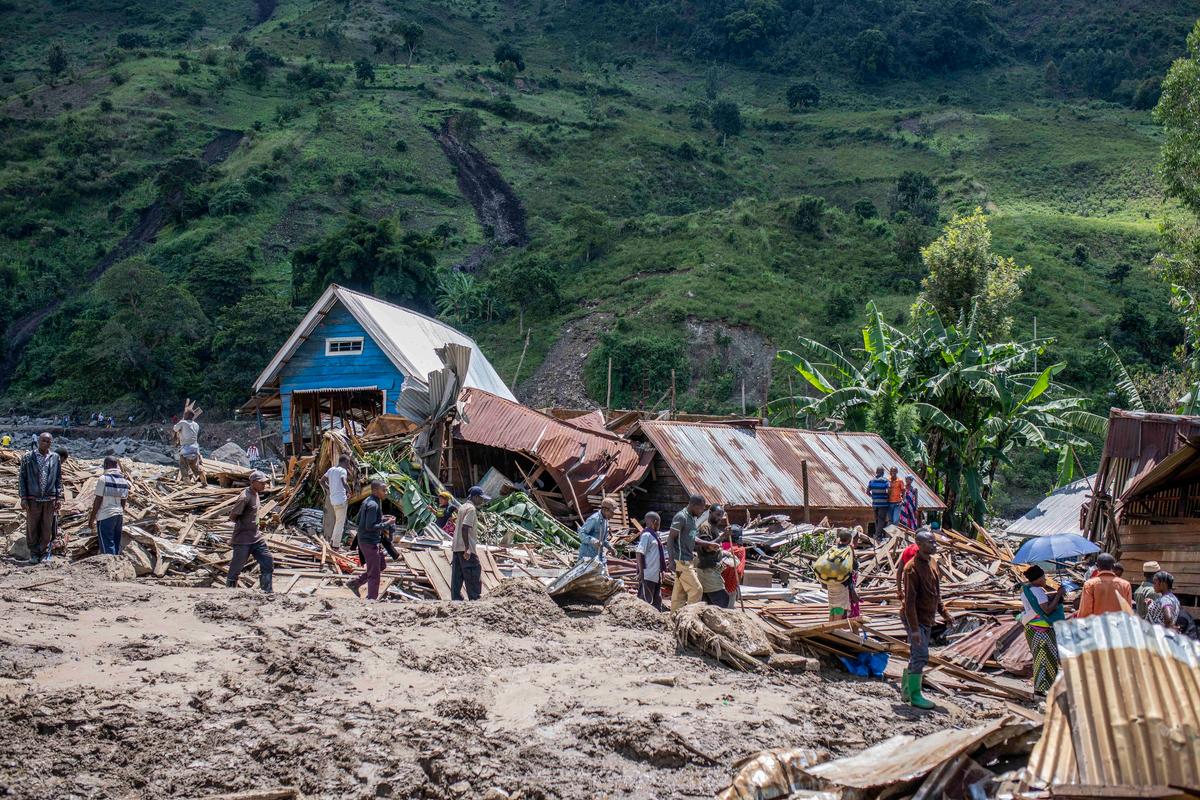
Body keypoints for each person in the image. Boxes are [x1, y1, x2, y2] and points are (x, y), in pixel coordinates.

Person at [901, 531, 953, 709]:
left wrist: (944, 613)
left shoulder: (932, 562)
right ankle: (915, 695)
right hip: (914, 617)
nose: (934, 545)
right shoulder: (911, 569)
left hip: (927, 616)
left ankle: (907, 690)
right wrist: (914, 630)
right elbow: (909, 603)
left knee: (917, 654)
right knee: (921, 654)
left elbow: (935, 593)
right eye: (930, 542)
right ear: (919, 545)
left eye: (934, 542)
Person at [1019, 565, 1067, 694]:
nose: (1045, 579)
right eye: (1043, 577)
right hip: (1042, 629)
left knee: (1040, 657)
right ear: (1038, 578)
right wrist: (1059, 595)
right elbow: (1047, 610)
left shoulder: (1026, 589)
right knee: (1046, 658)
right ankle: (1041, 689)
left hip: (1030, 628)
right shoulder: (1038, 591)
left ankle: (1042, 687)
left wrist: (1049, 588)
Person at [18, 433, 63, 565]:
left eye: (49, 441)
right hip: (33, 498)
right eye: (44, 441)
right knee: (32, 527)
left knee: (46, 527)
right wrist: (23, 497)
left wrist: (58, 497)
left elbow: (58, 479)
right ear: (38, 441)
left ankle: (43, 552)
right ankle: (33, 553)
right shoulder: (28, 457)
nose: (46, 443)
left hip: (49, 498)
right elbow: (22, 478)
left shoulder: (55, 457)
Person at [226, 471, 273, 593]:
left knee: (267, 560)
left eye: (265, 483)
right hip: (243, 539)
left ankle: (267, 591)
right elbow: (233, 516)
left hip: (256, 537)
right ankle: (229, 593)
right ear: (253, 483)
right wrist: (245, 524)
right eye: (262, 483)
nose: (264, 485)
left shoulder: (256, 494)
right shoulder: (244, 497)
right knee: (236, 568)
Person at [349, 480, 393, 601]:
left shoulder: (369, 501)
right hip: (369, 542)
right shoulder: (373, 505)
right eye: (383, 490)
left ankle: (356, 583)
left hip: (368, 540)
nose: (386, 492)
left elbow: (360, 520)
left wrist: (382, 519)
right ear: (375, 490)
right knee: (374, 574)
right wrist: (387, 523)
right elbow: (370, 526)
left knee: (380, 565)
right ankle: (372, 599)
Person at [668, 494, 706, 611]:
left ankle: (673, 620)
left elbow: (691, 538)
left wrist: (711, 543)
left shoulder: (691, 518)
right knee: (696, 590)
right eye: (700, 509)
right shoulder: (681, 517)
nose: (701, 512)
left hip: (688, 560)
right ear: (693, 505)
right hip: (682, 561)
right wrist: (671, 560)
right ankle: (690, 617)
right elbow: (670, 538)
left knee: (679, 594)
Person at [451, 486, 488, 601]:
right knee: (473, 572)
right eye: (481, 498)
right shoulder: (471, 509)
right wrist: (467, 548)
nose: (482, 501)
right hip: (466, 548)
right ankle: (475, 598)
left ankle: (456, 600)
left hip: (457, 547)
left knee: (457, 576)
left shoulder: (462, 507)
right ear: (475, 497)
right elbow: (465, 527)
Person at [88, 456, 130, 555]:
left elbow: (98, 501)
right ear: (116, 466)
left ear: (105, 465)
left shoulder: (103, 479)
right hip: (118, 515)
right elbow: (123, 502)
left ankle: (110, 567)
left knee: (107, 545)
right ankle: (116, 565)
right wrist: (119, 513)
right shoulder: (124, 481)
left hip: (105, 515)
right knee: (115, 542)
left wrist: (91, 519)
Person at [1076, 552, 1133, 618]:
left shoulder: (1089, 584)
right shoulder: (1125, 585)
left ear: (1097, 566)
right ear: (1113, 566)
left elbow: (1085, 611)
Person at [818, 529, 858, 620]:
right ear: (849, 540)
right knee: (839, 608)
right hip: (841, 583)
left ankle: (830, 628)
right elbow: (854, 566)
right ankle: (835, 629)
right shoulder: (848, 550)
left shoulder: (833, 549)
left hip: (830, 582)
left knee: (832, 607)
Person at [319, 455, 353, 551]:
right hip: (341, 500)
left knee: (337, 522)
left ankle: (333, 542)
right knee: (339, 524)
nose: (348, 465)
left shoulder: (331, 470)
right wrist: (350, 492)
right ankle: (336, 546)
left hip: (333, 500)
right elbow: (344, 482)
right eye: (348, 463)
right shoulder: (343, 471)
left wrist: (329, 489)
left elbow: (322, 481)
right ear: (345, 462)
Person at [635, 511, 666, 611]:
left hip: (655, 575)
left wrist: (661, 571)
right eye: (659, 523)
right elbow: (639, 552)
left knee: (656, 602)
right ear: (655, 522)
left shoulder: (655, 536)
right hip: (647, 575)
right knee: (644, 603)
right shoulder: (646, 535)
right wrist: (641, 572)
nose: (659, 525)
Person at [578, 497, 617, 564]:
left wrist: (610, 547)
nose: (613, 516)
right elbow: (581, 534)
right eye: (612, 513)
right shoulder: (594, 519)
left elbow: (602, 540)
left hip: (598, 557)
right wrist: (593, 541)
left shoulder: (605, 521)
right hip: (587, 558)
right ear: (605, 510)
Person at [173, 410, 203, 483]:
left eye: (185, 414)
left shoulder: (183, 422)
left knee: (183, 466)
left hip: (186, 448)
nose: (184, 416)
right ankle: (203, 480)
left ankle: (187, 482)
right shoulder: (196, 424)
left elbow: (175, 429)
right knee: (194, 466)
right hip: (195, 449)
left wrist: (180, 422)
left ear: (189, 415)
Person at [721, 525, 747, 609]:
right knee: (729, 604)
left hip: (720, 580)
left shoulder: (721, 545)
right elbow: (739, 569)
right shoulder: (740, 549)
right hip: (731, 581)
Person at [866, 467, 891, 540]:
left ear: (876, 472)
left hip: (875, 503)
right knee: (881, 520)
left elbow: (867, 492)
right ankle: (877, 535)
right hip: (883, 504)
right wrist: (887, 497)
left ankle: (878, 535)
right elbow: (889, 490)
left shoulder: (872, 481)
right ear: (883, 473)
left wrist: (873, 496)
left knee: (876, 519)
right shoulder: (885, 480)